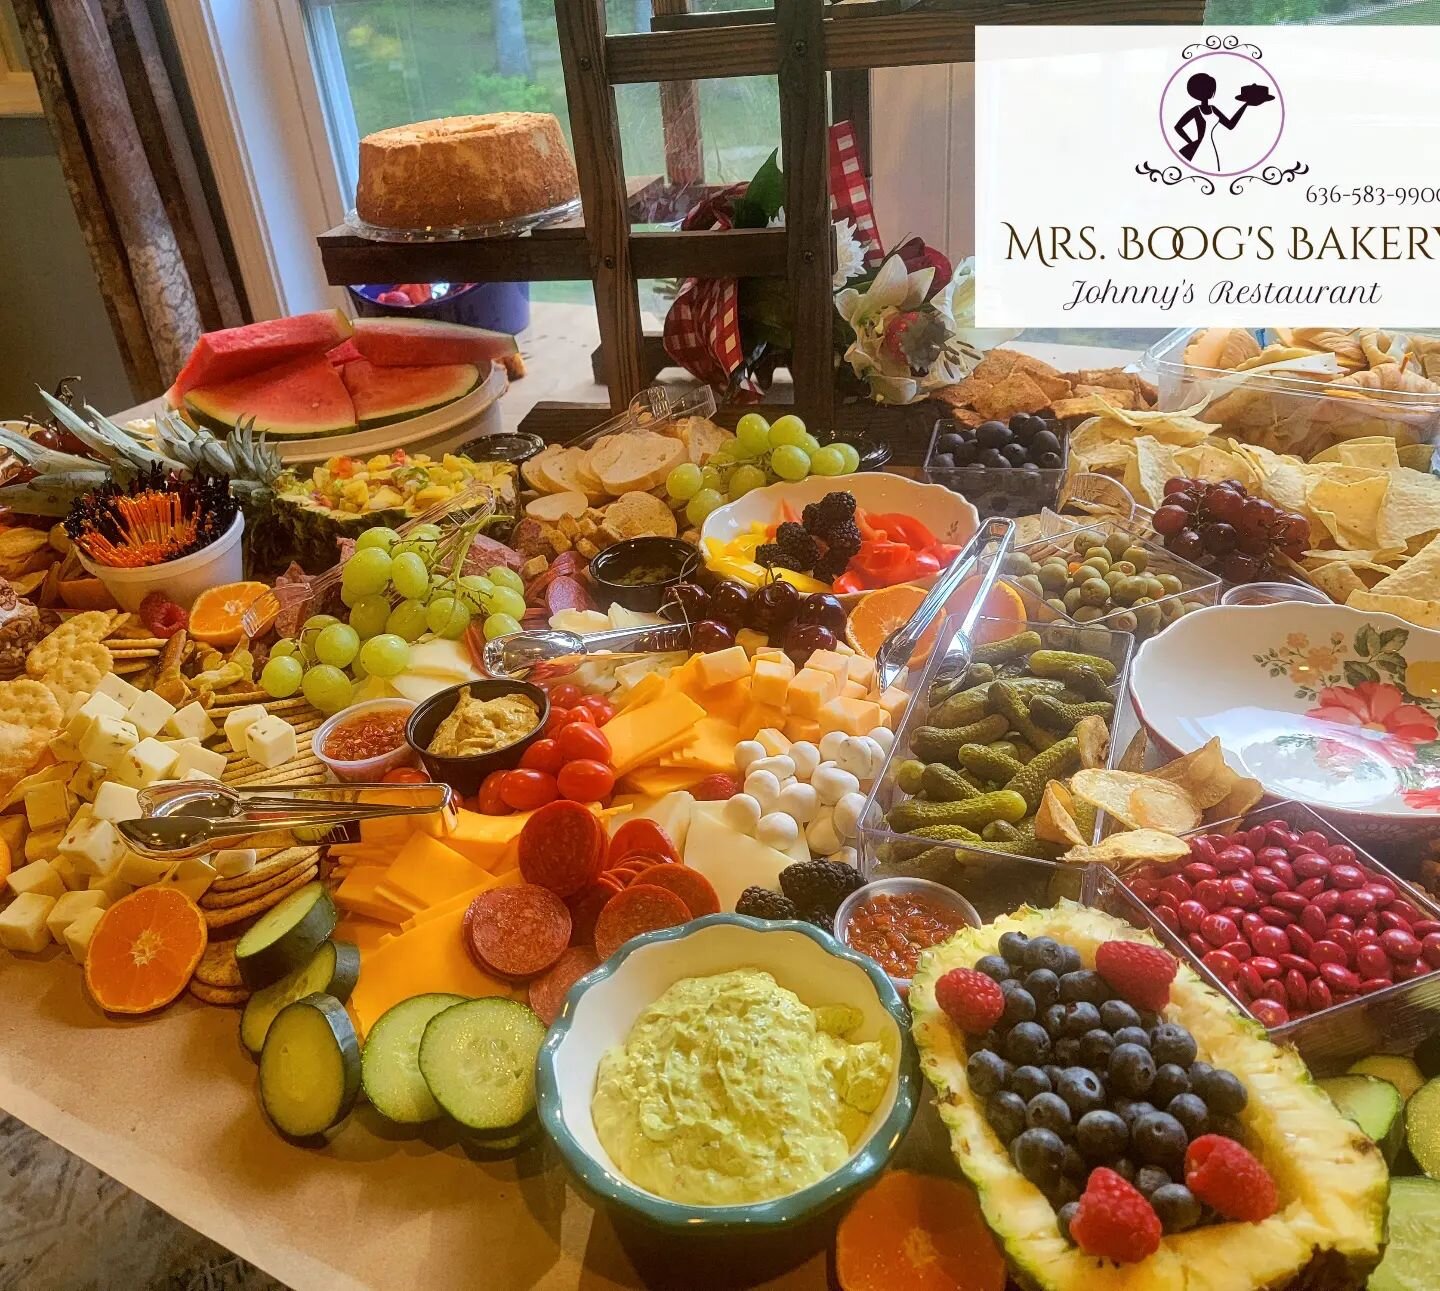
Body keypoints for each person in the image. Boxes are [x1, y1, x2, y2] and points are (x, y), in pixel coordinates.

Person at [1172, 72, 1272, 171]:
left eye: (1211, 89)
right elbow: (1178, 127)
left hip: (1210, 147)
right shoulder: (1196, 110)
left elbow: (1230, 125)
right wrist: (1191, 143)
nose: (1211, 92)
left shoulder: (1213, 109)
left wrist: (1245, 105)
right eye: (1208, 89)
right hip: (1198, 149)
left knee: (1212, 169)